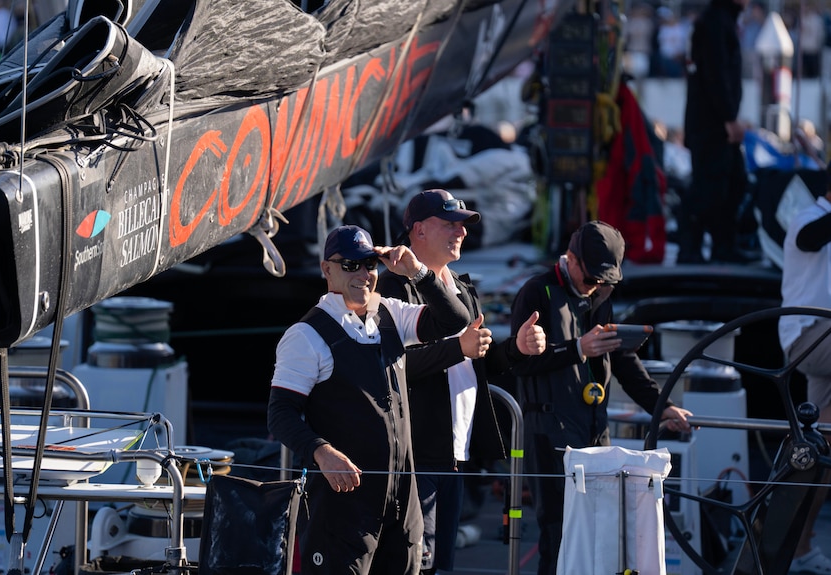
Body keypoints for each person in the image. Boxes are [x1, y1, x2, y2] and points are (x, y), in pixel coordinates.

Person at [267, 224, 471, 575]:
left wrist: (416, 271)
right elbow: (280, 413)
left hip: (402, 502)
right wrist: (321, 451)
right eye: (350, 265)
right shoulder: (305, 335)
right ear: (326, 269)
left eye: (369, 264)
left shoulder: (390, 313)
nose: (363, 274)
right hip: (344, 504)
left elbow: (455, 319)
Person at [508, 220, 693, 575]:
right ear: (571, 260)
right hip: (550, 433)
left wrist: (662, 407)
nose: (596, 288)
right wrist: (578, 347)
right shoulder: (537, 291)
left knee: (604, 532)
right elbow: (516, 364)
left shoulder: (599, 297)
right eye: (591, 279)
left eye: (605, 283)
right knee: (559, 535)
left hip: (593, 429)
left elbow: (623, 360)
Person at [377, 189, 547, 574]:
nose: (461, 232)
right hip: (416, 453)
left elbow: (477, 359)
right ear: (418, 230)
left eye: (463, 225)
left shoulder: (462, 288)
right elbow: (390, 366)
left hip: (455, 455)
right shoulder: (391, 287)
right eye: (450, 223)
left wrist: (517, 348)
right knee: (414, 563)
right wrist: (459, 348)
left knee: (440, 564)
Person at [778, 164, 831, 575]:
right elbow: (810, 239)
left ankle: (798, 546)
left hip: (824, 341)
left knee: (818, 458)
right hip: (808, 338)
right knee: (821, 443)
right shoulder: (806, 219)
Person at [678, 0, 752, 264]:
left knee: (734, 182)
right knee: (708, 187)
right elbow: (715, 74)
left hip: (716, 122)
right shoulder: (714, 23)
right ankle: (690, 249)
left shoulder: (721, 21)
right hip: (711, 125)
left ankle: (724, 246)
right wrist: (729, 117)